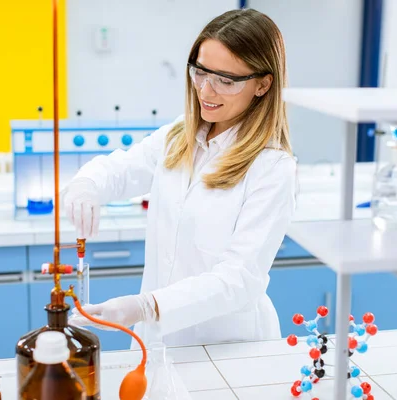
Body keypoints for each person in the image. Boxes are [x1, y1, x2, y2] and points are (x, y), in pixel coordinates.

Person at [65, 8, 297, 348]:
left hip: (228, 345)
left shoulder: (273, 168)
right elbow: (121, 169)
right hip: (158, 341)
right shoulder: (179, 135)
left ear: (263, 84)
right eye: (200, 72)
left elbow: (239, 279)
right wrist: (86, 185)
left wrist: (147, 306)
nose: (206, 90)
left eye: (225, 81)